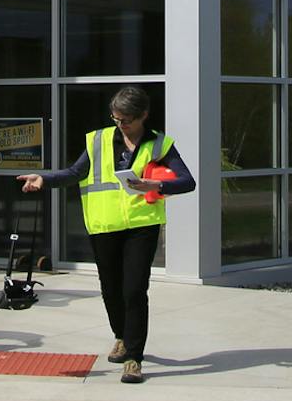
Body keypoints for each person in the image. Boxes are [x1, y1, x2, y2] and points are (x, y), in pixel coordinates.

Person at [19, 86, 193, 385]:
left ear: (143, 116)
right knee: (111, 289)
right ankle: (121, 336)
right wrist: (44, 179)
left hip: (142, 226)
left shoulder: (160, 143)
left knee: (134, 291)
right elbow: (75, 173)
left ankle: (134, 359)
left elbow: (187, 182)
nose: (120, 124)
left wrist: (155, 184)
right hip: (104, 225)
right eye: (116, 119)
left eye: (126, 119)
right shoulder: (98, 139)